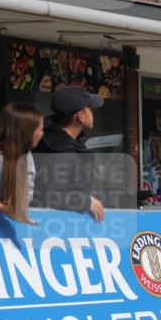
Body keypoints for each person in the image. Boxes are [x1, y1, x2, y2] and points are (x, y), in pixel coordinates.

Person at [31, 86, 106, 222]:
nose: (93, 113)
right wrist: (87, 202)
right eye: (91, 109)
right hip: (54, 228)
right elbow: (52, 195)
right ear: (80, 116)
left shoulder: (59, 140)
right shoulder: (61, 152)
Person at [0, 103, 45, 223]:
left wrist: (16, 208)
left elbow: (26, 195)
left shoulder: (26, 157)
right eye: (41, 129)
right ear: (26, 131)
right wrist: (3, 208)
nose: (42, 134)